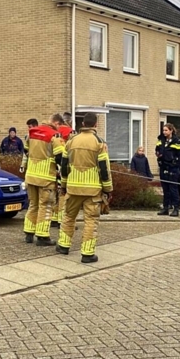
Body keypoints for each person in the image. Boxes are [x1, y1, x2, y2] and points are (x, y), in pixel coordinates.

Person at [56, 112, 112, 263]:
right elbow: (104, 169)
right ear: (95, 125)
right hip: (92, 190)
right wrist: (108, 189)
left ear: (82, 124)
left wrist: (64, 185)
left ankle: (63, 245)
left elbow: (64, 166)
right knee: (91, 220)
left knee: (68, 216)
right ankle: (87, 254)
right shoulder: (99, 143)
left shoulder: (71, 142)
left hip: (73, 188)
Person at [21, 117, 66, 246]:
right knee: (45, 206)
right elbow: (60, 158)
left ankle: (29, 233)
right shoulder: (55, 136)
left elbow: (26, 152)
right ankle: (42, 236)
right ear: (55, 124)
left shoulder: (32, 133)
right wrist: (63, 175)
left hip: (31, 175)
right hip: (46, 177)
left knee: (33, 204)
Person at [155, 123, 180, 217]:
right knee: (165, 189)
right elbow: (157, 150)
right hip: (163, 167)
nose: (164, 132)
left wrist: (175, 164)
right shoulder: (160, 140)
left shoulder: (177, 141)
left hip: (173, 168)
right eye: (163, 130)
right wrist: (158, 155)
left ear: (171, 130)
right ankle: (165, 208)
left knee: (173, 189)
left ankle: (176, 208)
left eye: (166, 130)